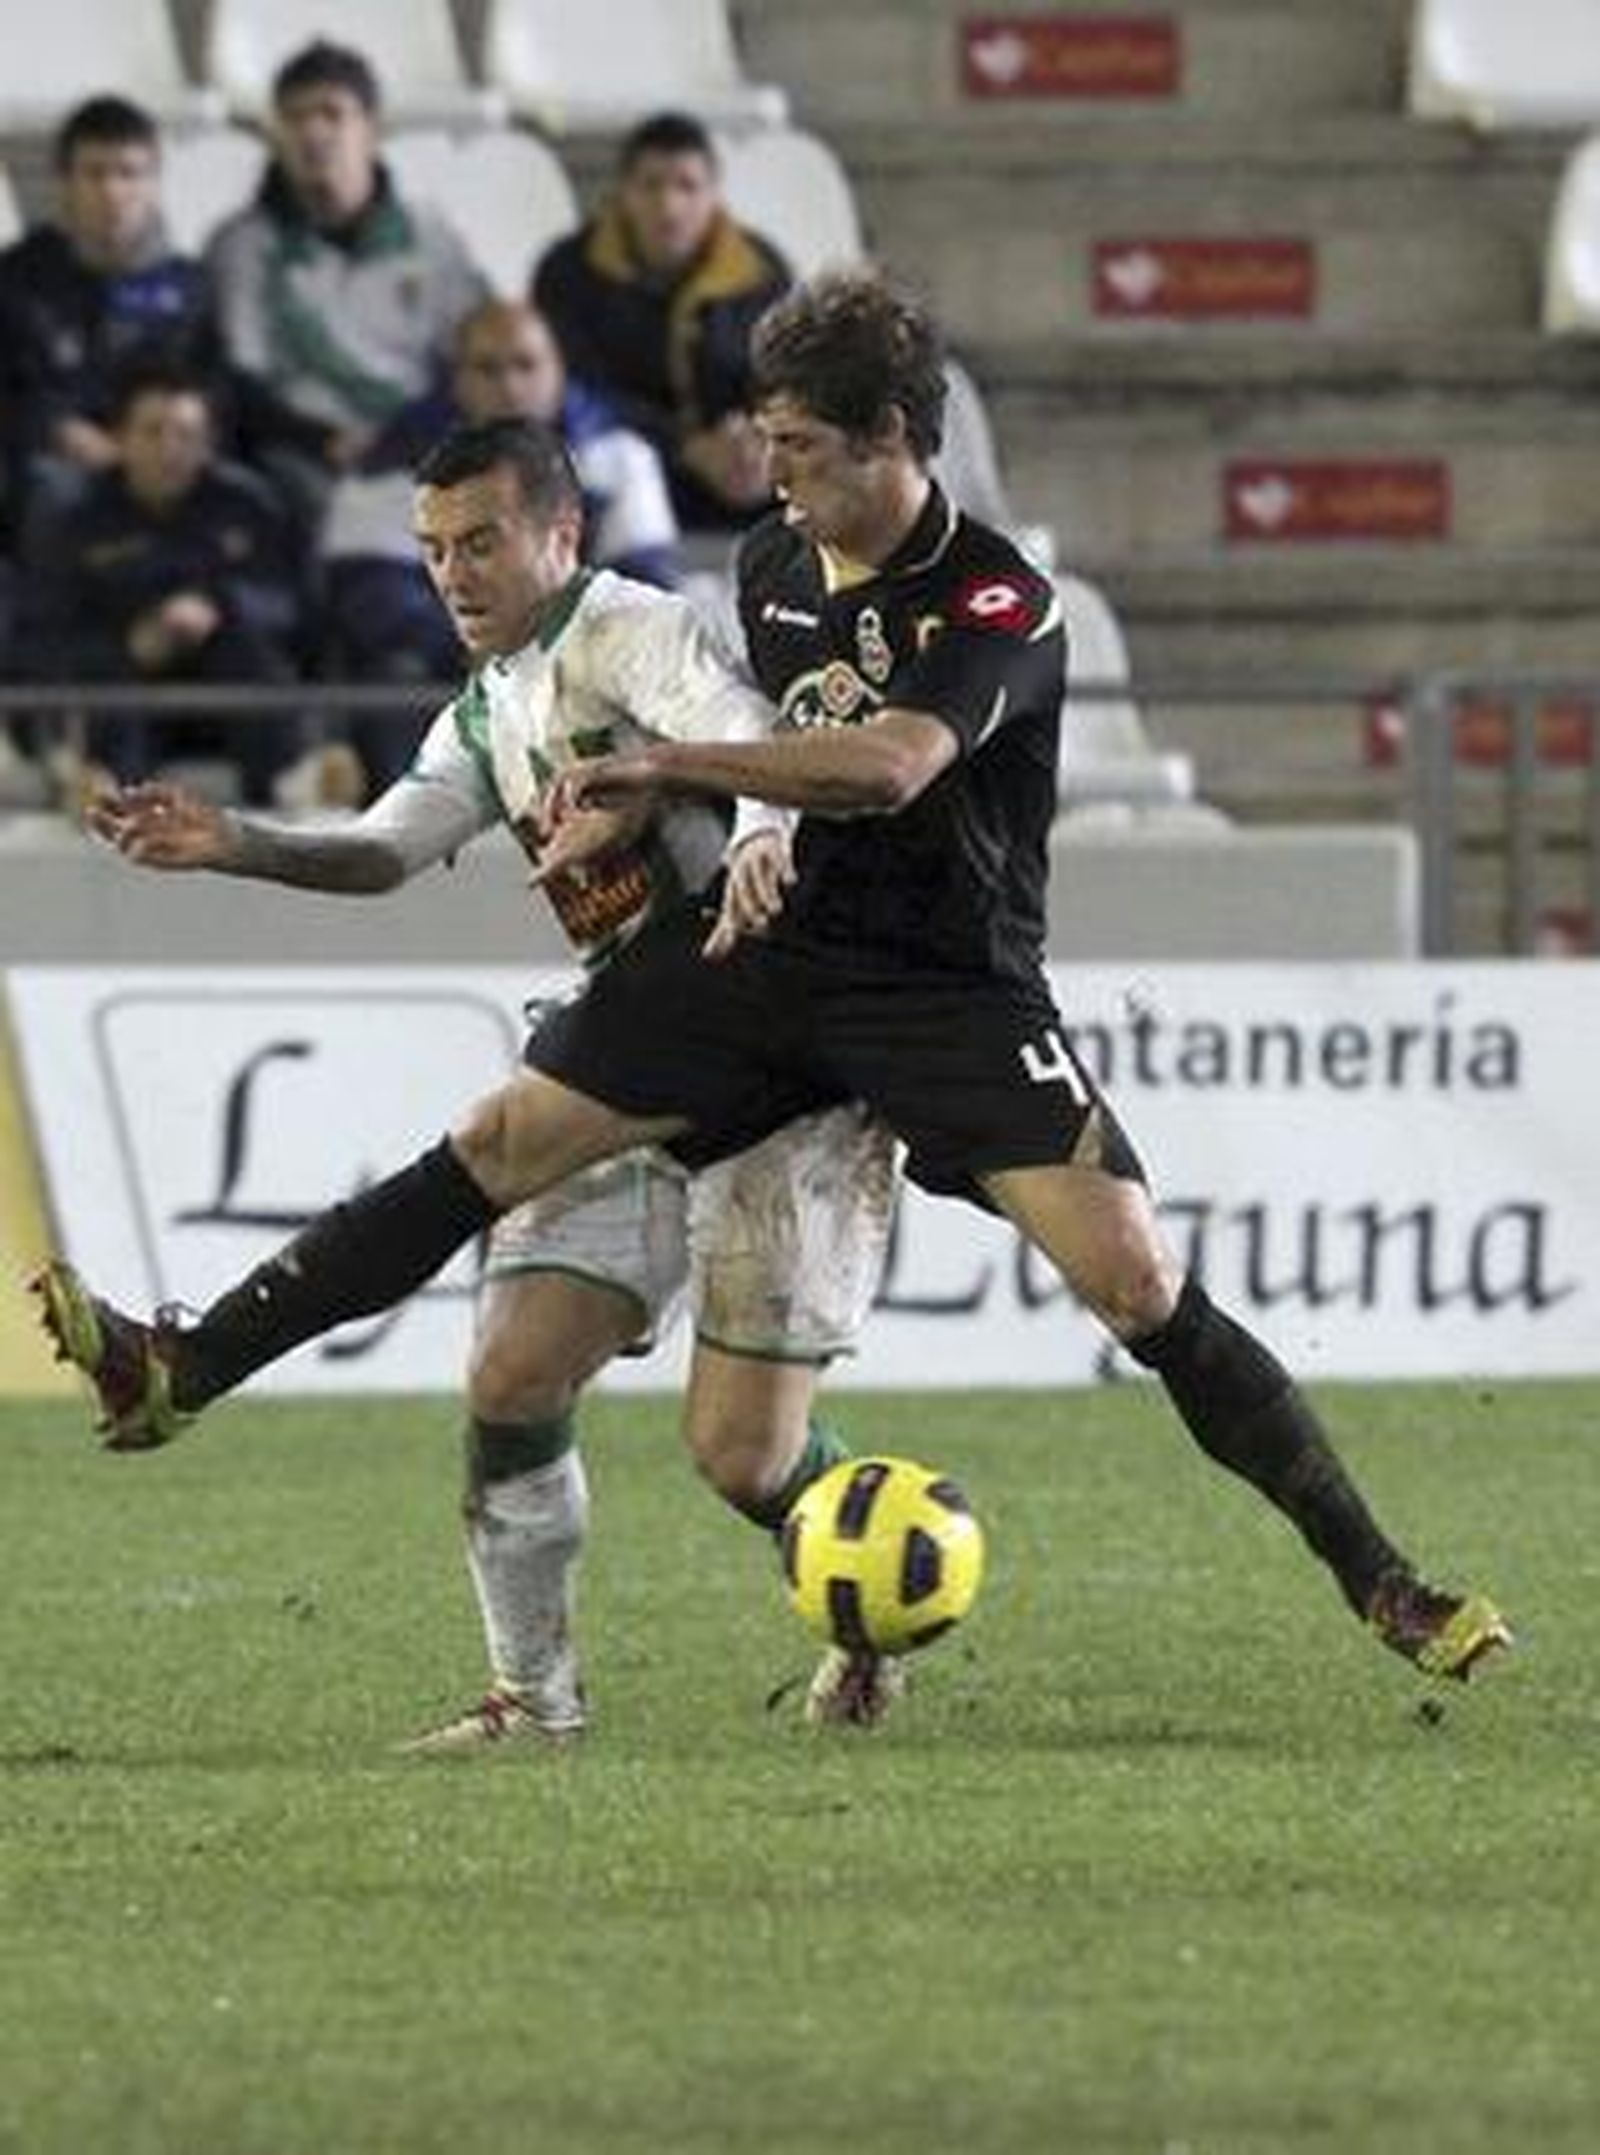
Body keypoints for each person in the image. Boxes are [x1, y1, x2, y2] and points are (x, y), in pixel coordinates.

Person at [35, 273, 1512, 1714]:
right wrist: (674, 819)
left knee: (1135, 1281)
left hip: (947, 987)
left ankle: (1383, 1578)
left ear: (891, 441)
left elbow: (886, 766)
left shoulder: (1000, 597)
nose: (772, 470)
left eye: (800, 446)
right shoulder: (772, 568)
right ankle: (187, 1363)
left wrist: (663, 773)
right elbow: (750, 752)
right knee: (496, 1140)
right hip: (767, 952)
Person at [70, 415, 899, 1745]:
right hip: (634, 1060)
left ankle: (887, 1583)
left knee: (741, 1455)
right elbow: (385, 851)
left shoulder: (630, 629)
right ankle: (535, 1699)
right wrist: (236, 842)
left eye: (482, 540)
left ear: (561, 534)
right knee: (512, 1373)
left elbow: (742, 725)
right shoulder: (489, 698)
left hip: (771, 1056)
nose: (453, 573)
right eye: (433, 549)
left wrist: (758, 836)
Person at [318, 297, 683, 703]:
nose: (510, 385)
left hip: (586, 662)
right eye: (487, 369)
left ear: (559, 370)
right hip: (444, 670)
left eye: (526, 365)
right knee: (393, 669)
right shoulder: (395, 460)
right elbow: (374, 593)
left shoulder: (618, 453)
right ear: (454, 378)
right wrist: (475, 648)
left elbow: (645, 575)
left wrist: (565, 647)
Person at [205, 40, 487, 537]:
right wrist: (323, 441)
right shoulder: (241, 247)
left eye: (332, 114)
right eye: (294, 118)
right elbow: (238, 385)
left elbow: (467, 361)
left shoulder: (430, 237)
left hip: (423, 445)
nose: (314, 133)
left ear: (372, 130)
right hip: (303, 458)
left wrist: (412, 437)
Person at [16, 363, 306, 803]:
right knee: (107, 680)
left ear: (208, 443)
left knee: (251, 650)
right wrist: (130, 645)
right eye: (153, 432)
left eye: (187, 435)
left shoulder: (248, 503)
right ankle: (106, 790)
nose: (170, 449)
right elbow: (41, 635)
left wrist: (218, 607)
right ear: (120, 439)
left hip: (221, 699)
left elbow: (292, 606)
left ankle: (292, 783)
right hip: (122, 700)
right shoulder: (75, 519)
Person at [533, 111, 787, 534]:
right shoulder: (569, 271)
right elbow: (574, 389)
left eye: (687, 187)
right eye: (651, 186)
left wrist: (755, 434)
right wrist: (685, 446)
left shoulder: (758, 269)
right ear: (623, 193)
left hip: (739, 466)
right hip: (626, 459)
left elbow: (784, 375)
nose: (669, 206)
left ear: (714, 195)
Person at [0, 96, 225, 530]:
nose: (112, 191)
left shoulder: (190, 286)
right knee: (57, 493)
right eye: (95, 173)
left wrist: (165, 444)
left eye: (129, 173)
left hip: (172, 453)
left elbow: (215, 386)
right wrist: (56, 429)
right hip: (59, 457)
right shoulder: (15, 279)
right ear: (64, 184)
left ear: (154, 184)